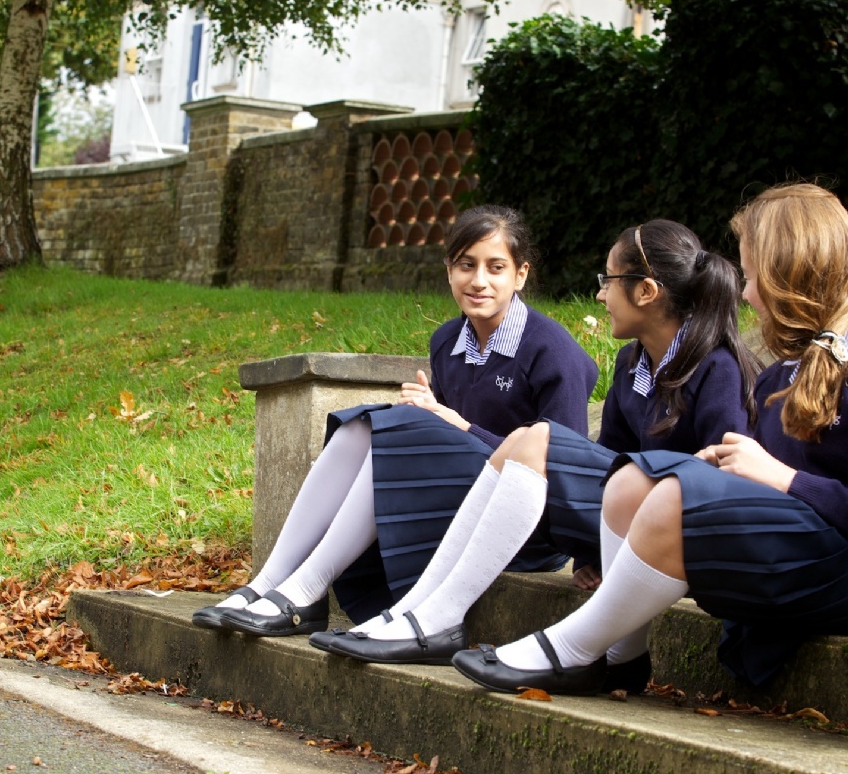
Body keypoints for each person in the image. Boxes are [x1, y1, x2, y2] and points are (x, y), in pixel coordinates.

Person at [450, 182, 848, 695]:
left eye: (752, 277)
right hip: (793, 562)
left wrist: (782, 479)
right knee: (629, 481)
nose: (745, 294)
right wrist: (725, 474)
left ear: (792, 275)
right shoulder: (777, 377)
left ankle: (572, 649)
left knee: (671, 491)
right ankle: (620, 656)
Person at [321, 219, 760, 678]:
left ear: (646, 291)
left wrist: (462, 427)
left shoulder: (718, 369)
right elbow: (611, 459)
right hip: (625, 520)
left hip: (679, 535)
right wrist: (592, 554)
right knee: (526, 437)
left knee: (536, 436)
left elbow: (719, 486)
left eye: (608, 281)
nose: (600, 295)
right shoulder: (632, 362)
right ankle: (421, 611)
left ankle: (436, 618)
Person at [191, 204, 600, 637]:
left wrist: (455, 425)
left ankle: (306, 590)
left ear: (520, 275)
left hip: (522, 531)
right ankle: (268, 582)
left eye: (495, 267)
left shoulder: (552, 351)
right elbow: (449, 445)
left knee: (400, 432)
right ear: (449, 271)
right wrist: (431, 417)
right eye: (466, 265)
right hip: (459, 502)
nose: (479, 280)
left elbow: (564, 469)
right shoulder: (447, 341)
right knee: (361, 426)